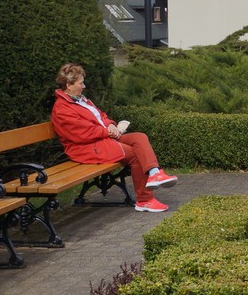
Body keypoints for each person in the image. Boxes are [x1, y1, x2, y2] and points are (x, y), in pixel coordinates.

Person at [51, 63, 178, 213]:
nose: (84, 86)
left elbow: (101, 116)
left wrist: (110, 125)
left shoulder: (82, 100)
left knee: (139, 137)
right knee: (135, 155)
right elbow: (81, 132)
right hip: (85, 148)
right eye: (81, 83)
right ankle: (145, 200)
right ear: (69, 85)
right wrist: (107, 132)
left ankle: (155, 173)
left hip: (100, 139)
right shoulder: (62, 108)